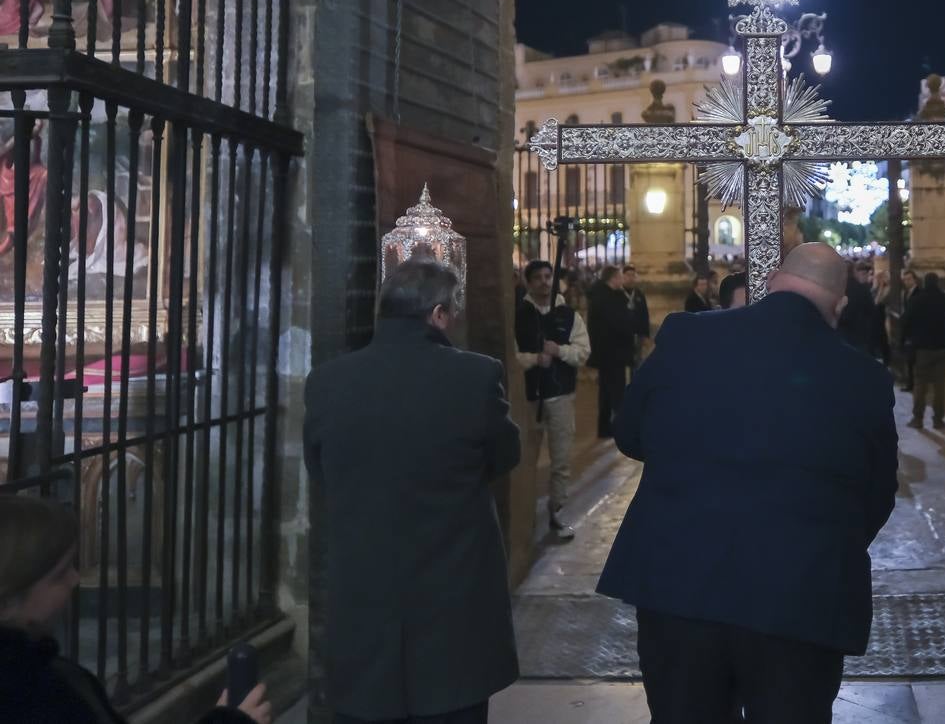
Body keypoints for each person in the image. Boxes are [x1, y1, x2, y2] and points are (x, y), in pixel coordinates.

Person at [598, 243, 899, 724]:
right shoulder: (865, 377)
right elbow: (877, 494)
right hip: (799, 598)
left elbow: (630, 433)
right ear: (839, 305)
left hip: (680, 587)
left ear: (773, 280)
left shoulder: (687, 336)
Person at [306, 260, 521, 724]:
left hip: (364, 603)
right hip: (452, 603)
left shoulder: (328, 382)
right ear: (439, 314)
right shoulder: (476, 377)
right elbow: (505, 457)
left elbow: (320, 470)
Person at [0, 495, 271, 724]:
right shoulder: (29, 696)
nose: (75, 579)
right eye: (59, 575)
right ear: (7, 600)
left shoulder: (41, 671)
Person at [516, 260, 592, 540]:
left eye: (548, 276)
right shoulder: (518, 314)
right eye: (538, 277)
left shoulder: (568, 316)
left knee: (560, 459)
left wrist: (559, 351)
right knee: (526, 459)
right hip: (529, 396)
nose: (544, 282)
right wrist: (534, 359)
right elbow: (510, 355)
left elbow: (583, 351)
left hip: (560, 395)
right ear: (528, 281)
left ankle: (557, 512)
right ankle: (523, 520)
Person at [904, 272, 945, 429]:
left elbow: (906, 320)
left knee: (920, 384)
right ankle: (938, 420)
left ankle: (918, 418)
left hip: (923, 348)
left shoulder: (917, 300)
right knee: (940, 385)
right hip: (943, 346)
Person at [588, 265, 636, 440]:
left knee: (608, 391)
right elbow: (617, 323)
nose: (621, 280)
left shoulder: (605, 296)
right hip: (612, 352)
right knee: (614, 391)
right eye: (619, 277)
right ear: (613, 278)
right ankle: (615, 427)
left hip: (609, 352)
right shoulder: (607, 298)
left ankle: (606, 427)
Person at [837, 260, 878, 353]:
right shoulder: (862, 288)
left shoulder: (836, 288)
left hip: (841, 329)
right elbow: (871, 309)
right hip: (859, 330)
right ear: (854, 271)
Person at [624, 264, 652, 367]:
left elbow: (644, 314)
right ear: (623, 276)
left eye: (633, 275)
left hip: (638, 334)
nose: (630, 278)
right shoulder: (618, 294)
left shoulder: (639, 294)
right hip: (624, 334)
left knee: (638, 360)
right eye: (628, 275)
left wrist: (646, 334)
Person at [872, 270, 893, 363]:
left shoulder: (890, 289)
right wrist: (878, 286)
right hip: (879, 318)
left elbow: (880, 301)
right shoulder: (877, 288)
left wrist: (880, 288)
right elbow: (875, 301)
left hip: (887, 316)